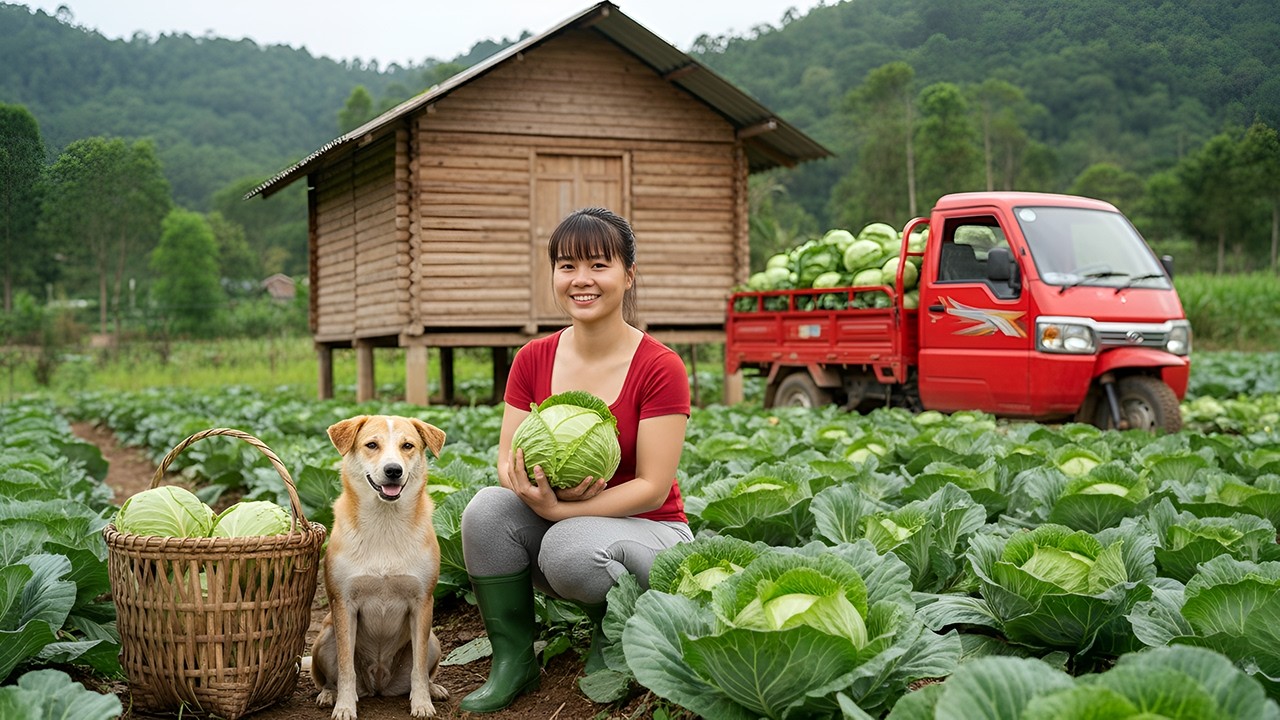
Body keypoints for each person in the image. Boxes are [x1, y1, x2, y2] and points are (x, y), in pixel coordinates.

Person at [458, 207, 692, 713]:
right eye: (567, 265)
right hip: (564, 523)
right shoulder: (532, 358)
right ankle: (513, 660)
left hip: (649, 530)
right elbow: (506, 459)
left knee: (568, 545)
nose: (581, 280)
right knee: (485, 510)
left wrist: (560, 512)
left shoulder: (660, 366)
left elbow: (653, 486)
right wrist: (529, 491)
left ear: (628, 275)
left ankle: (616, 641)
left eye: (599, 265)